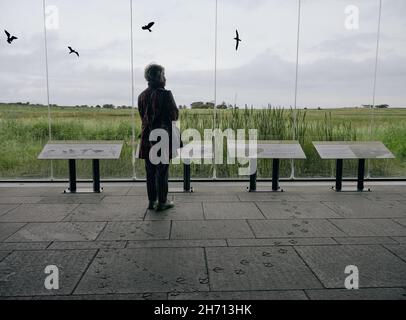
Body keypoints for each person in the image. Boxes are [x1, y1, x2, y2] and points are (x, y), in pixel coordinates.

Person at [138, 63, 179, 211]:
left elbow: (143, 116)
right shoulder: (165, 94)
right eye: (163, 75)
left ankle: (151, 201)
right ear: (157, 77)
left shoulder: (141, 96)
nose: (165, 78)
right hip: (161, 138)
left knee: (150, 171)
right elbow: (175, 115)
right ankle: (163, 201)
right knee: (162, 171)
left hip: (146, 138)